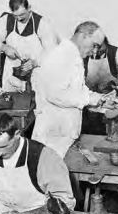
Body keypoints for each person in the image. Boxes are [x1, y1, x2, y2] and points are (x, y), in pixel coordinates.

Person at [32, 21, 106, 157]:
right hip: (53, 136)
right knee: (50, 174)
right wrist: (89, 99)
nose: (94, 51)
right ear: (83, 36)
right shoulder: (61, 56)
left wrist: (101, 99)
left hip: (63, 134)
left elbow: (77, 91)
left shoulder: (72, 56)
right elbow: (55, 94)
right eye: (94, 45)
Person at [0, 0, 59, 92]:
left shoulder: (42, 23)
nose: (19, 19)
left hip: (36, 73)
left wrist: (35, 62)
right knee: (10, 102)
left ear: (29, 8)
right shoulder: (6, 20)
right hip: (11, 74)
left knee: (34, 100)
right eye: (15, 16)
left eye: (22, 15)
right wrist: (4, 47)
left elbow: (52, 52)